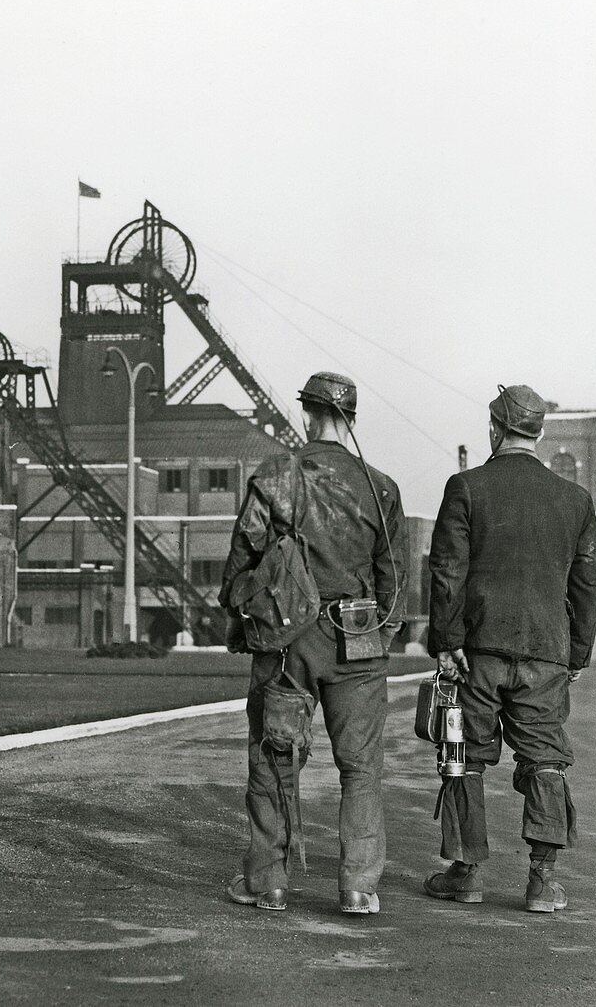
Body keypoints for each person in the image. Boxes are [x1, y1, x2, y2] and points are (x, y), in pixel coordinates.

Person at [219, 371, 408, 915]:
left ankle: (269, 882)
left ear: (307, 413)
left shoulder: (279, 474)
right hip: (359, 640)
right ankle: (357, 887)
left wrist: (239, 614)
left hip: (289, 640)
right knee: (361, 767)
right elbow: (393, 581)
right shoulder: (383, 487)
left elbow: (244, 553)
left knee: (275, 756)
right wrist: (379, 634)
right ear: (352, 419)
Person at [423, 384, 596, 912]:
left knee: (462, 756)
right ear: (539, 432)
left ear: (493, 428)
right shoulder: (575, 500)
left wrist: (446, 642)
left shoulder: (466, 486)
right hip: (545, 654)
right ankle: (543, 881)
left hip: (476, 653)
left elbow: (446, 572)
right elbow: (589, 584)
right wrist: (575, 653)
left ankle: (466, 872)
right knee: (546, 759)